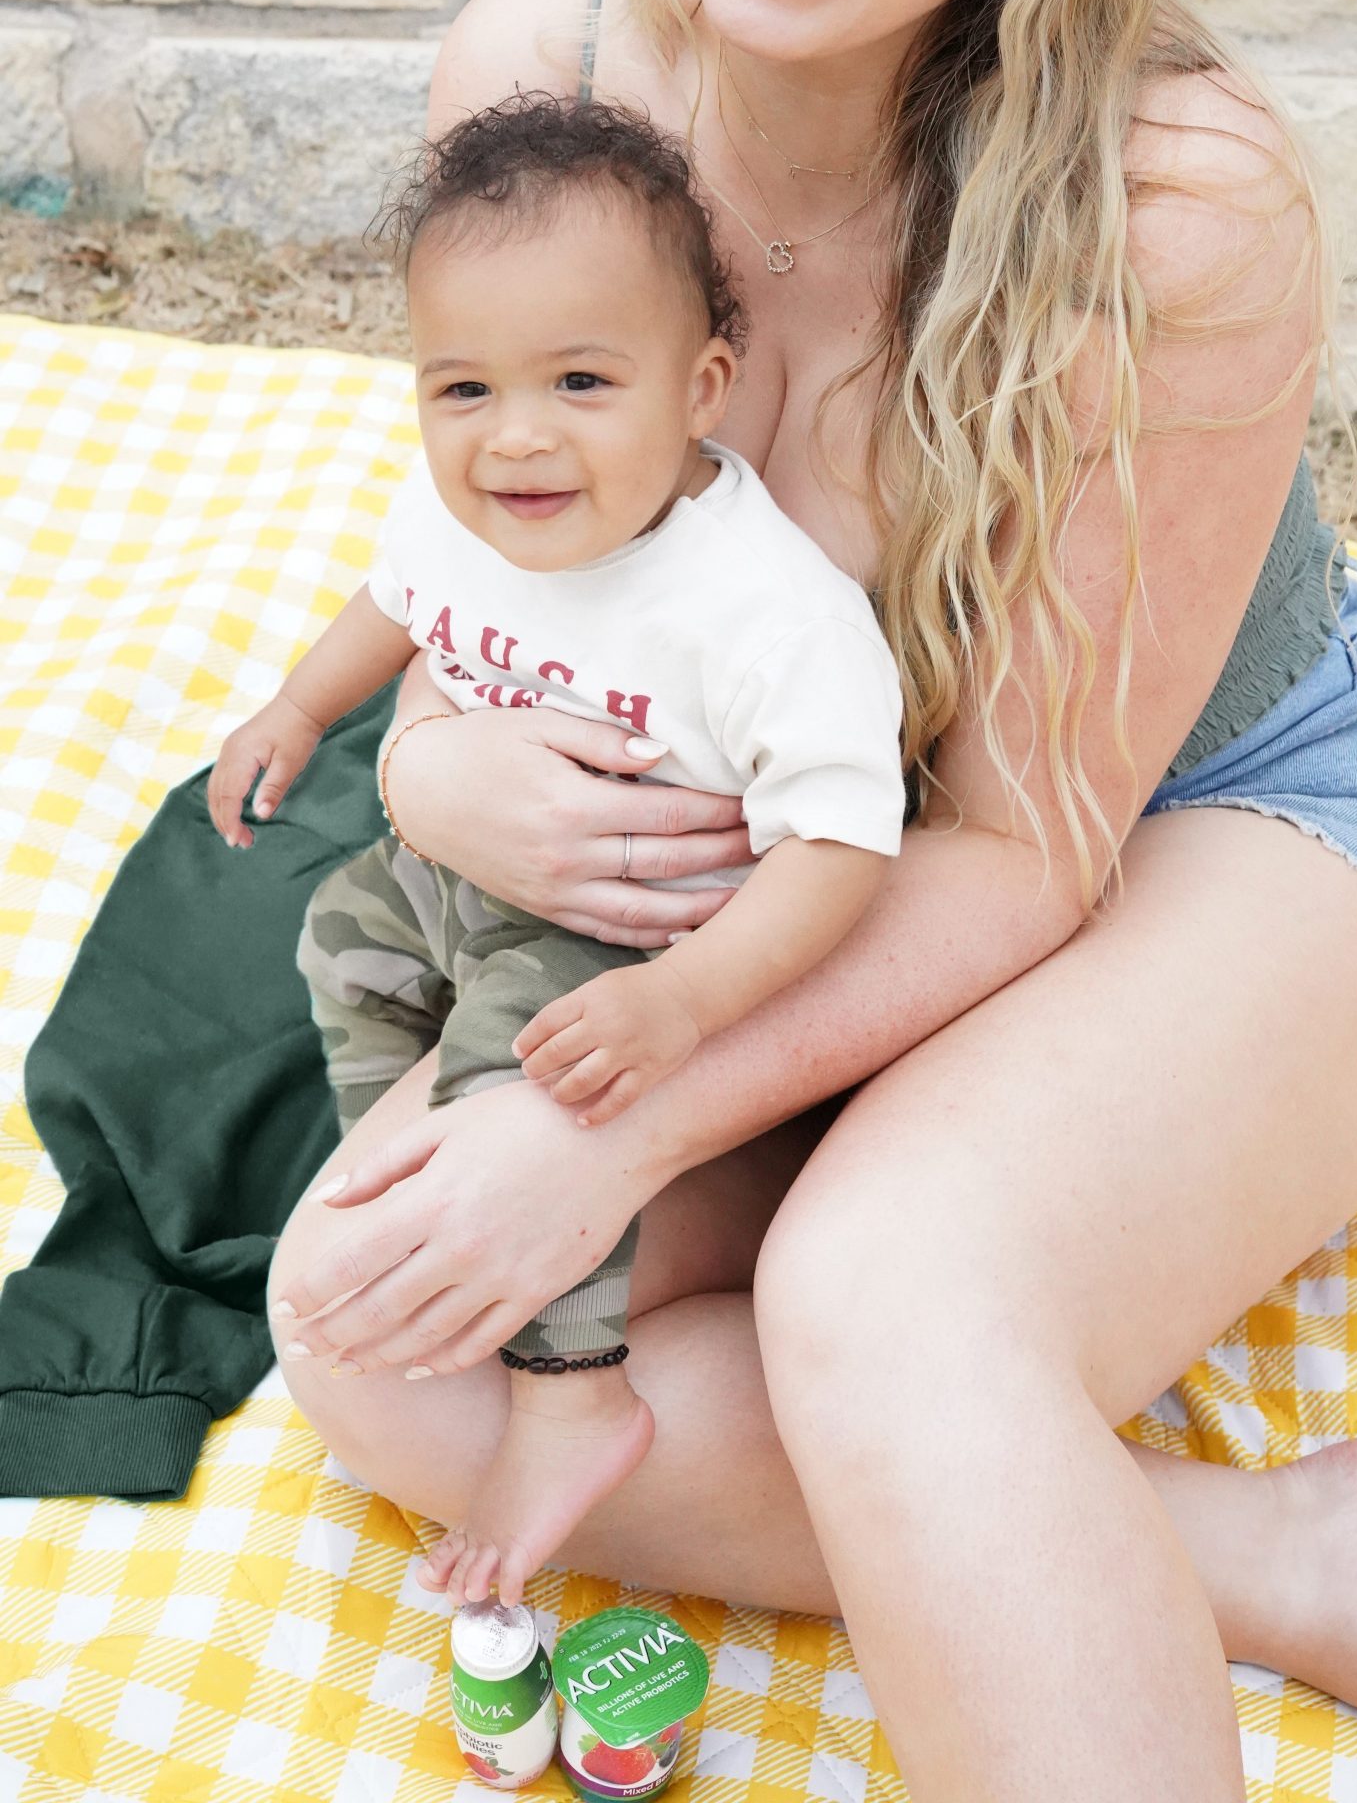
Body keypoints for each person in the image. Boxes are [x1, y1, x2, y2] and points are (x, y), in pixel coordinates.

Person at [267, 0, 1357, 1801]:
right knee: (377, 1329)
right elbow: (519, 549)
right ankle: (1267, 1545)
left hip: (1193, 821)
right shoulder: (536, 75)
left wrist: (628, 1132)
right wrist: (426, 760)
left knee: (882, 1289)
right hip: (799, 850)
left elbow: (1021, 838)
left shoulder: (1164, 203)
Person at [208, 94, 904, 1608]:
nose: (515, 438)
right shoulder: (473, 506)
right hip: (479, 888)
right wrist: (299, 705)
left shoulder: (762, 612)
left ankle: (572, 1385)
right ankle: (421, 1144)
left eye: (583, 382)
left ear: (702, 386)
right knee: (345, 931)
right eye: (463, 389)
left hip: (648, 943)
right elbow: (396, 596)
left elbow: (848, 848)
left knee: (532, 1034)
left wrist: (689, 1002)